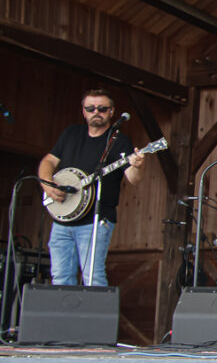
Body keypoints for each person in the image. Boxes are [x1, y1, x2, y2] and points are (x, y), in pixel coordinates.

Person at [38, 89, 145, 286]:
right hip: (63, 218)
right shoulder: (71, 133)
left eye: (102, 108)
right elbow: (49, 160)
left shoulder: (119, 141)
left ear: (112, 112)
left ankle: (95, 317)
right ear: (84, 111)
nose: (96, 112)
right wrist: (47, 184)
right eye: (91, 108)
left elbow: (133, 178)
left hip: (95, 220)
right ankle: (64, 317)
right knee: (60, 278)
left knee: (93, 279)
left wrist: (137, 165)